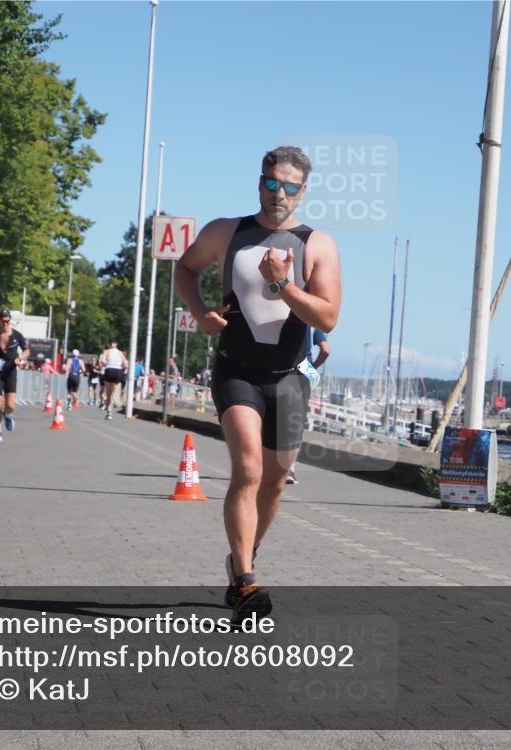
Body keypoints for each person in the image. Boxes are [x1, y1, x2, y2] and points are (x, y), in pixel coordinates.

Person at [176, 145, 341, 622]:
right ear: (260, 183)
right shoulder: (226, 232)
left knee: (273, 484)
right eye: (271, 183)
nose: (279, 194)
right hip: (237, 370)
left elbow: (328, 314)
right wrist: (200, 313)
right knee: (248, 470)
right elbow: (186, 268)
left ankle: (244, 555)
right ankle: (246, 581)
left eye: (289, 187)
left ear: (303, 191)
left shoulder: (318, 245)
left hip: (290, 380)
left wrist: (284, 285)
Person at [286, 328, 330, 484]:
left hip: (283, 367)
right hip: (306, 371)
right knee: (296, 422)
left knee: (272, 416)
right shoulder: (313, 322)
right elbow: (325, 350)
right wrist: (313, 367)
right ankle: (290, 469)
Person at [0, 311, 30, 443]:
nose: (5, 323)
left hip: (10, 370)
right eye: (3, 321)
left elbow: (27, 351)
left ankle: (7, 414)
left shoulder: (17, 335)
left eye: (7, 321)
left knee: (10, 405)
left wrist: (20, 358)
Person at [99, 340, 128, 419]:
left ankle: (109, 413)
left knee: (108, 393)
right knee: (115, 390)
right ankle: (116, 398)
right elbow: (126, 364)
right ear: (116, 345)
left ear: (110, 345)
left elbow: (102, 360)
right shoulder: (120, 353)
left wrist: (107, 364)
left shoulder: (107, 351)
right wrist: (120, 368)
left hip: (109, 370)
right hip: (117, 371)